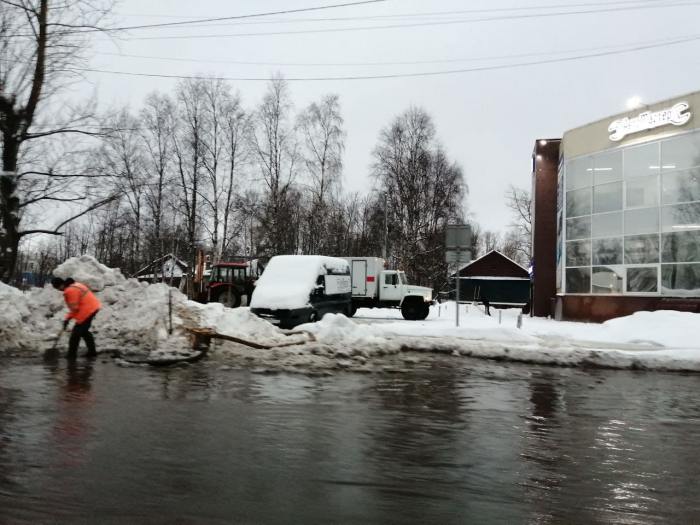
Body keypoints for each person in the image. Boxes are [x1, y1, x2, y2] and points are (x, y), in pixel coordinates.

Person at [51, 277, 101, 359]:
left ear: (61, 285)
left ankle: (71, 356)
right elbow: (75, 308)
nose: (59, 290)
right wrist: (68, 318)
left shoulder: (70, 291)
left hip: (88, 310)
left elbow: (74, 308)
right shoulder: (75, 285)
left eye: (57, 288)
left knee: (76, 333)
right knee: (84, 332)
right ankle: (92, 352)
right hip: (92, 307)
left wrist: (67, 319)